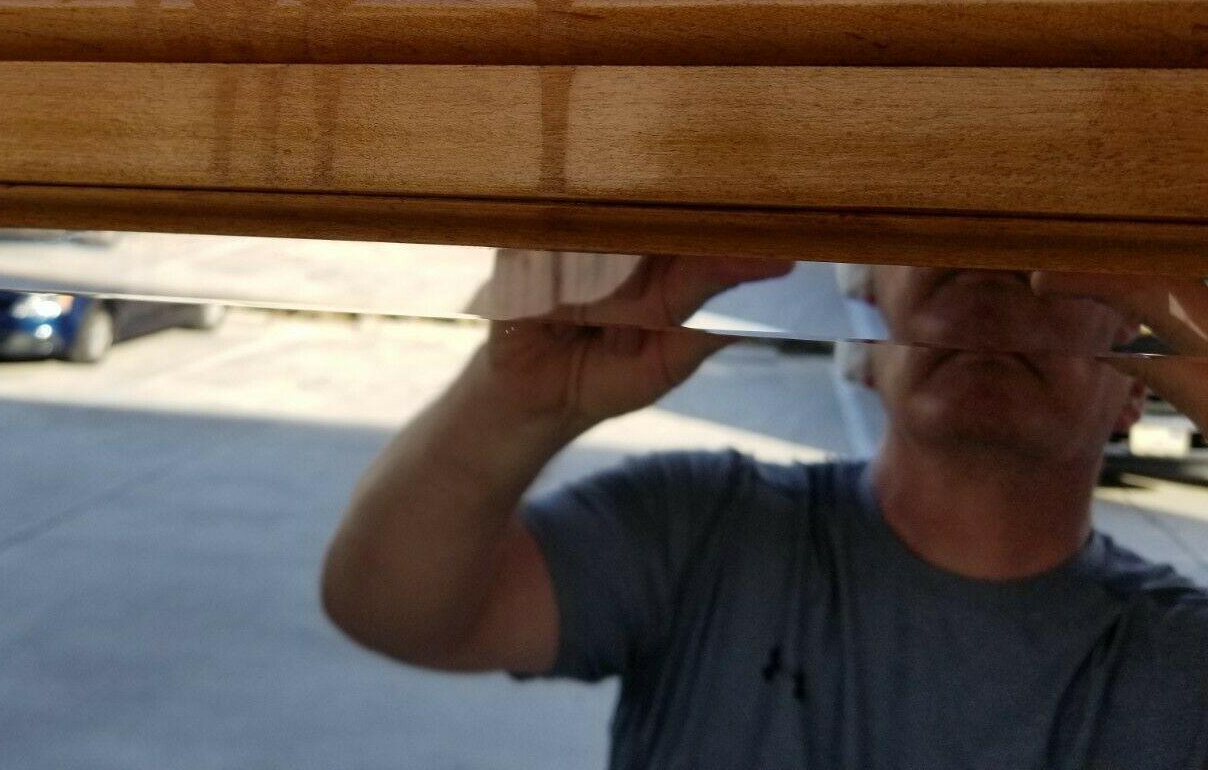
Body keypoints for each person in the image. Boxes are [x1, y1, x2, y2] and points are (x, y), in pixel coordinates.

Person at [321, 253, 1208, 768]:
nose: (993, 284)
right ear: (863, 352)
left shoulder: (1180, 661)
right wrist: (512, 399)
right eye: (946, 248)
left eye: (1050, 266)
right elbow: (395, 608)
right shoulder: (704, 526)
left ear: (1141, 393)